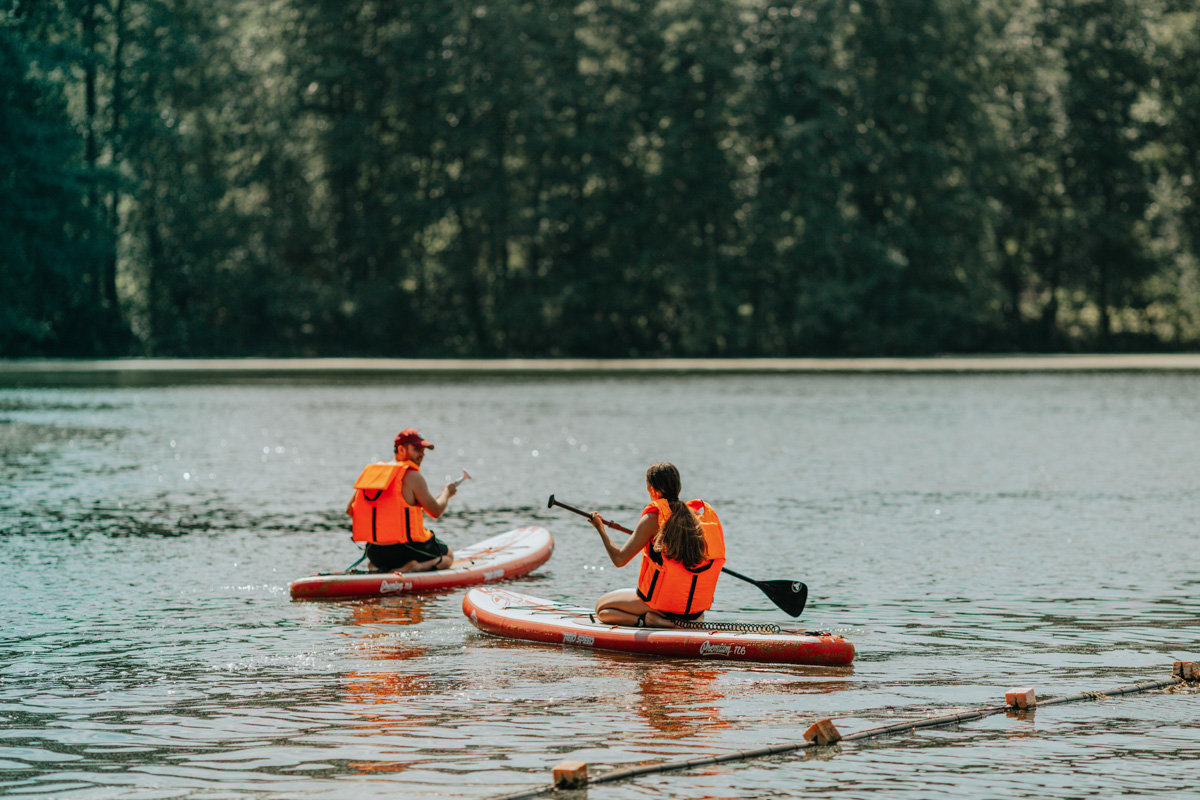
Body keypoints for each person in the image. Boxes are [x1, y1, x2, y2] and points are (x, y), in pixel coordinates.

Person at [588, 462, 726, 628]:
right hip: (694, 611)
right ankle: (687, 621)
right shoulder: (696, 517)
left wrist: (600, 528)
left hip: (663, 606)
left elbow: (619, 559)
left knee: (602, 609)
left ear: (652, 489)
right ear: (678, 487)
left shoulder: (652, 519)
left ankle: (650, 620)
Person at [345, 429, 457, 572]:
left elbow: (349, 510)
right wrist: (446, 492)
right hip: (404, 550)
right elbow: (436, 511)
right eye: (417, 449)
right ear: (401, 449)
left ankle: (375, 567)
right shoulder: (412, 476)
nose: (422, 454)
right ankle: (415, 567)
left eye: (423, 451)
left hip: (374, 551)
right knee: (448, 556)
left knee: (380, 558)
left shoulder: (372, 473)